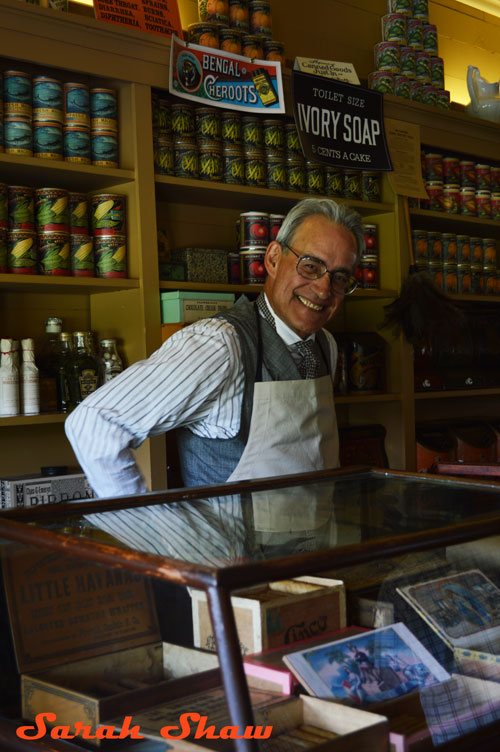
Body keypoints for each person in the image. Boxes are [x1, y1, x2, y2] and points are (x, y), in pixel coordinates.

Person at [65, 197, 364, 497]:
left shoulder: (326, 344)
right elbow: (94, 423)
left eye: (340, 277)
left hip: (323, 540)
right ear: (273, 259)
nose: (324, 289)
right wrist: (141, 527)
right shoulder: (220, 345)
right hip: (234, 544)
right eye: (310, 266)